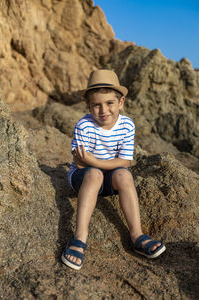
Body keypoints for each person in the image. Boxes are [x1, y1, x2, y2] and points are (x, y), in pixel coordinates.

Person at [61, 69, 166, 270]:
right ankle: (79, 237)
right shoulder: (84, 125)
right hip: (83, 178)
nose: (103, 110)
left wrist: (95, 161)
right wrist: (95, 164)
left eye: (109, 103)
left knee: (124, 176)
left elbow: (124, 162)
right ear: (88, 106)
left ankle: (137, 235)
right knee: (94, 174)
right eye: (96, 105)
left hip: (108, 177)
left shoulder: (127, 125)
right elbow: (81, 164)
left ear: (121, 102)